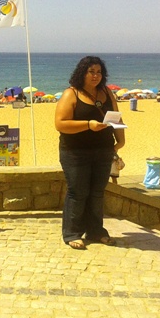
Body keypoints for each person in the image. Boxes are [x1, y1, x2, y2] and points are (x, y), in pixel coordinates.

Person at [55, 56, 125, 249]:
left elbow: (116, 118)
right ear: (82, 73)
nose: (96, 75)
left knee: (97, 193)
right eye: (91, 72)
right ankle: (72, 233)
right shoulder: (71, 94)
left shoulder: (106, 92)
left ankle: (96, 231)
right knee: (78, 192)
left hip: (103, 151)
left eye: (99, 72)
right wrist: (88, 125)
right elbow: (60, 124)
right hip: (75, 152)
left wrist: (121, 140)